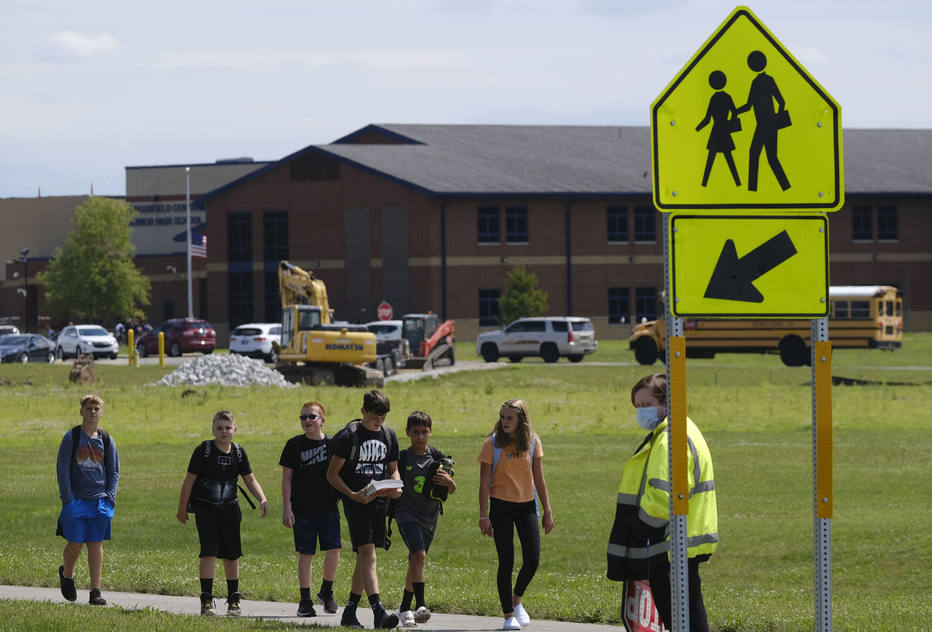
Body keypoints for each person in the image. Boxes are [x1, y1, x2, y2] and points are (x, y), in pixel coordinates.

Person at [607, 373, 718, 632]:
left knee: (680, 620)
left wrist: (639, 525)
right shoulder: (683, 429)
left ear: (666, 402)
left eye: (646, 405)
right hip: (683, 541)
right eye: (637, 406)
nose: (641, 411)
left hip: (670, 544)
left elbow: (663, 496)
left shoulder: (669, 439)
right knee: (690, 615)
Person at [176, 410, 269, 616]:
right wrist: (182, 508)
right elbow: (189, 481)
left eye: (228, 428)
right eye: (219, 428)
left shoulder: (238, 452)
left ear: (235, 430)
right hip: (206, 509)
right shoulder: (204, 450)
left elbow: (249, 479)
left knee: (231, 555)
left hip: (230, 510)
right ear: (213, 430)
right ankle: (206, 601)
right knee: (208, 551)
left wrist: (261, 498)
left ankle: (234, 601)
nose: (224, 432)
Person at [327, 390, 402, 630]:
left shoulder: (389, 436)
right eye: (373, 417)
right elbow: (332, 474)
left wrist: (396, 486)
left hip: (379, 501)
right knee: (369, 553)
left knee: (365, 556)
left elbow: (393, 469)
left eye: (382, 417)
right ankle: (379, 612)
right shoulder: (349, 437)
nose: (378, 422)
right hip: (356, 501)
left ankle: (349, 613)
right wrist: (352, 495)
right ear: (363, 412)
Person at [478, 399, 553, 631]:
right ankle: (508, 615)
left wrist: (547, 511)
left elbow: (539, 479)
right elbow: (482, 483)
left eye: (510, 417)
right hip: (500, 507)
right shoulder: (492, 443)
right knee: (506, 561)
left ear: (521, 419)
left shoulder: (533, 442)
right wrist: (483, 515)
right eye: (502, 417)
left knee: (532, 560)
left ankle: (517, 600)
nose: (505, 421)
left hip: (527, 506)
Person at [393, 411, 456, 627]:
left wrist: (450, 482)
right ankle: (420, 604)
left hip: (429, 516)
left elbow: (450, 490)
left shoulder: (438, 457)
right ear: (408, 433)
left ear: (430, 432)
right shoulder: (402, 458)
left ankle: (404, 609)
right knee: (419, 555)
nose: (420, 436)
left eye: (424, 432)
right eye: (416, 432)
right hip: (406, 514)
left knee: (415, 561)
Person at [56, 394, 120, 606]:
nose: (92, 411)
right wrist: (68, 499)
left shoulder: (106, 440)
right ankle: (67, 575)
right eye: (88, 408)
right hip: (76, 501)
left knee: (95, 544)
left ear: (101, 413)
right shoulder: (72, 437)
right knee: (75, 544)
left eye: (96, 408)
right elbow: (63, 469)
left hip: (99, 501)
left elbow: (114, 472)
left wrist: (109, 499)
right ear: (81, 411)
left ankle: (95, 591)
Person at [279, 401, 341, 617]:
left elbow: (341, 474)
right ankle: (305, 601)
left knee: (333, 550)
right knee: (306, 553)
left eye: (312, 417)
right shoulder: (294, 445)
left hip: (329, 507)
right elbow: (287, 479)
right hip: (303, 508)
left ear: (322, 420)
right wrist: (287, 508)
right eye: (303, 417)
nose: (307, 420)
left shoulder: (333, 445)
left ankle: (326, 591)